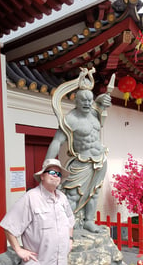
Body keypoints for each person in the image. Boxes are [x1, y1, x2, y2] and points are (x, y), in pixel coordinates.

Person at [45, 78, 112, 233]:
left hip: (100, 160)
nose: (88, 103)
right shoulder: (70, 119)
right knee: (73, 194)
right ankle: (69, 225)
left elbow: (102, 113)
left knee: (94, 193)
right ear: (76, 101)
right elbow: (57, 142)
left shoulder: (94, 113)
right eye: (84, 100)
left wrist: (103, 102)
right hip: (82, 161)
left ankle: (89, 221)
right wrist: (48, 163)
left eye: (90, 100)